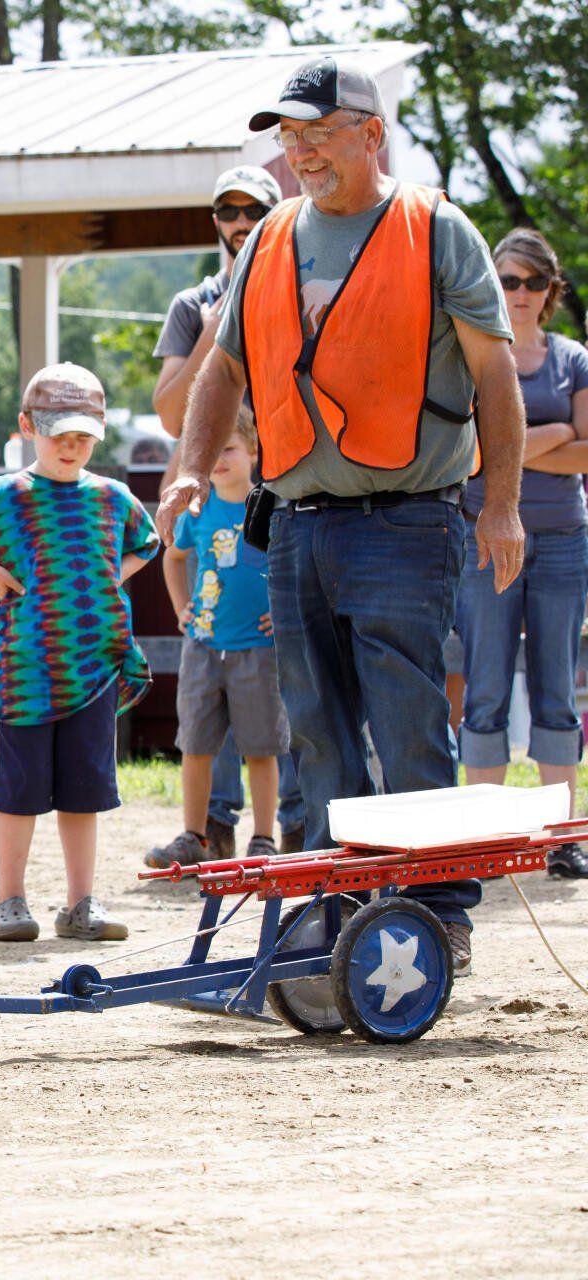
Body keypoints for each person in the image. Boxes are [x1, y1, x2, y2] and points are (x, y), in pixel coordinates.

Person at [159, 56, 526, 978]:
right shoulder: (271, 239)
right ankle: (337, 906)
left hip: (410, 519)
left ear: (372, 132)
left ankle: (438, 913)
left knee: (407, 719)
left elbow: (494, 376)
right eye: (289, 137)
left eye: (316, 133)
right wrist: (191, 467)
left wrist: (506, 506)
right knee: (311, 723)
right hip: (296, 521)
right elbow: (222, 371)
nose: (300, 152)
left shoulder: (437, 229)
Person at [0, 363, 158, 943]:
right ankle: (9, 901)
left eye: (83, 437)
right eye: (58, 434)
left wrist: (109, 579)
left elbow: (148, 542)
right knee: (18, 793)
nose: (71, 447)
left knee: (85, 793)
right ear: (27, 426)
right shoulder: (7, 496)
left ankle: (80, 904)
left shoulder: (111, 497)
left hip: (95, 669)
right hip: (27, 673)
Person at [150, 163, 303, 858]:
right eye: (228, 213)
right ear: (215, 221)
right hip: (212, 483)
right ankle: (208, 828)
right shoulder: (194, 303)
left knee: (282, 687)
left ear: (276, 215)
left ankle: (292, 826)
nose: (240, 225)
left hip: (290, 482)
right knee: (209, 701)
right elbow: (169, 409)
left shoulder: (300, 285)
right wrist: (218, 327)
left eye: (254, 212)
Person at [455, 228, 588, 880]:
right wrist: (557, 431)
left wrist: (510, 441)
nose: (521, 293)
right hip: (483, 539)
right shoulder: (474, 356)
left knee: (556, 688)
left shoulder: (574, 359)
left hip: (563, 538)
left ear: (551, 292)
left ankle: (563, 838)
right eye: (509, 280)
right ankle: (487, 837)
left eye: (534, 282)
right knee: (484, 687)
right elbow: (471, 456)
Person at [148, 414, 289, 869]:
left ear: (253, 451)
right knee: (196, 745)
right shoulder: (198, 510)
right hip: (204, 646)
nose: (220, 460)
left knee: (262, 747)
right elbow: (173, 558)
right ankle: (195, 835)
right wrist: (180, 608)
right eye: (210, 452)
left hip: (258, 650)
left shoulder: (270, 506)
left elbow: (289, 566)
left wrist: (281, 614)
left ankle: (264, 837)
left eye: (229, 449)